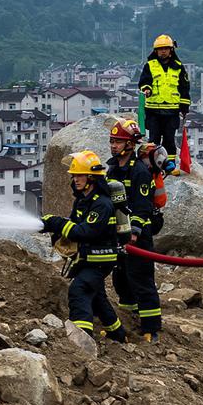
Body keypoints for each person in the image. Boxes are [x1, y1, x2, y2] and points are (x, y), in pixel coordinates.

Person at [40, 150, 125, 344]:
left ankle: (82, 340)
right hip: (88, 258)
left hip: (100, 259)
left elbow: (85, 232)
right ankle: (119, 335)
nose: (76, 179)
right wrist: (51, 227)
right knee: (97, 297)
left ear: (92, 177)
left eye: (80, 175)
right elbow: (73, 225)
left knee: (79, 290)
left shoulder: (102, 204)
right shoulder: (83, 201)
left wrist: (56, 222)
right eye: (74, 175)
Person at [106, 118, 169, 343]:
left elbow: (142, 206)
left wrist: (134, 233)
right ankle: (129, 316)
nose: (114, 145)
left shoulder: (139, 171)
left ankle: (151, 327)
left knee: (141, 279)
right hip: (118, 233)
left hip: (137, 237)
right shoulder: (113, 168)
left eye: (118, 141)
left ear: (130, 145)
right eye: (112, 141)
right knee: (121, 278)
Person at [135, 34, 191, 170]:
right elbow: (143, 82)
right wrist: (147, 89)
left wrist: (184, 107)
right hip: (153, 110)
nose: (163, 51)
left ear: (171, 50)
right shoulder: (150, 65)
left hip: (172, 110)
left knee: (169, 139)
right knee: (154, 139)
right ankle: (153, 165)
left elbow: (184, 88)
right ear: (156, 51)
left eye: (166, 48)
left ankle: (170, 165)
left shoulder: (178, 67)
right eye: (160, 49)